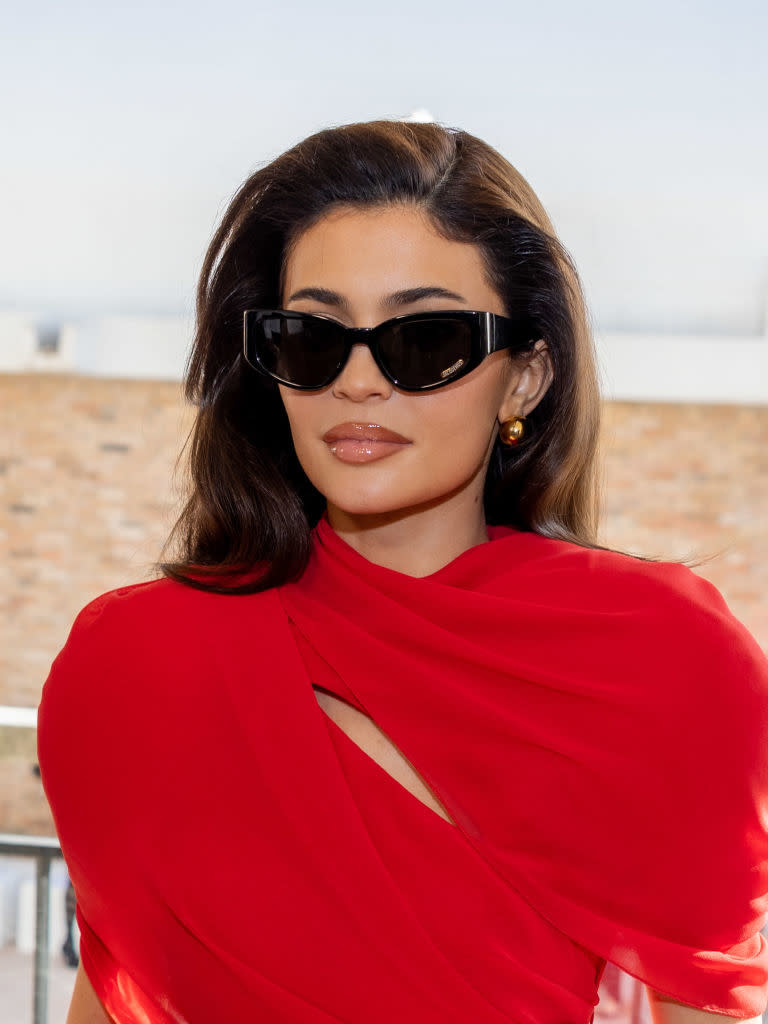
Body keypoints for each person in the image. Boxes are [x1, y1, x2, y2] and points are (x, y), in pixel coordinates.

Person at [38, 120, 768, 1024]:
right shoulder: (138, 665)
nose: (358, 381)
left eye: (425, 340)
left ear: (525, 380)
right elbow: (114, 1000)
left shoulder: (666, 662)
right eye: (312, 337)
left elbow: (698, 1009)